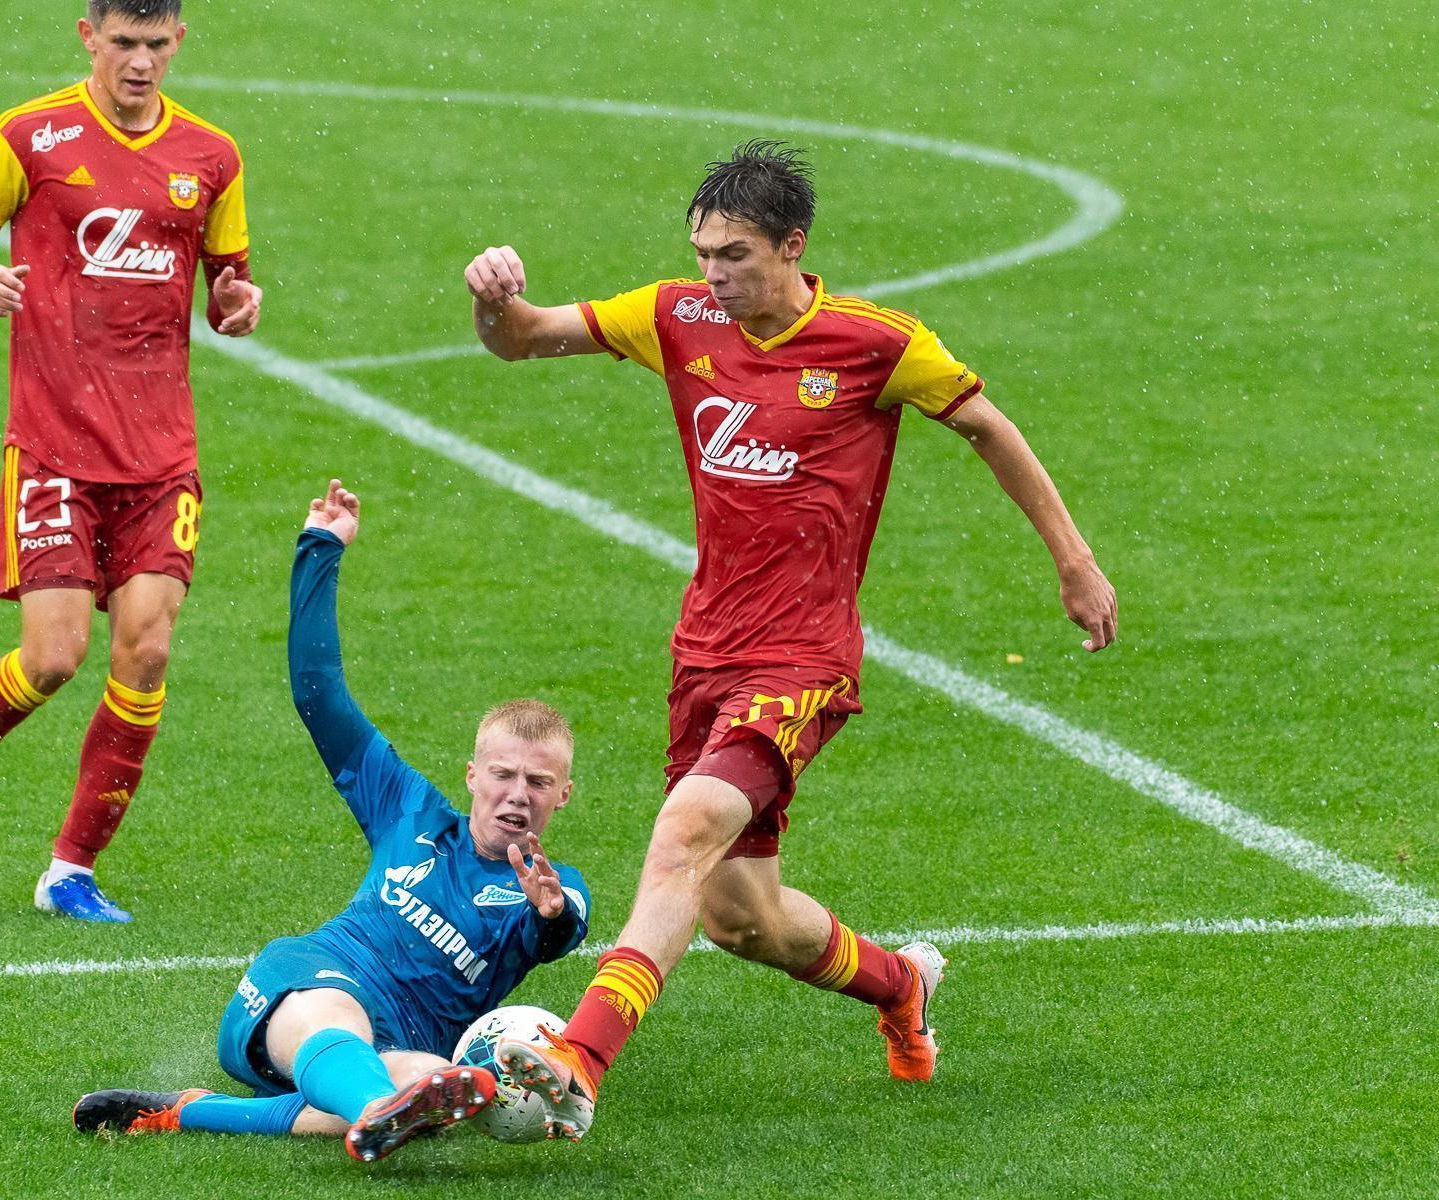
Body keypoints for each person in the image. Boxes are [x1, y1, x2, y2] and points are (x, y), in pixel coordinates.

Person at [461, 140, 1118, 1137]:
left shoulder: (875, 344)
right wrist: (493, 299)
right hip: (704, 653)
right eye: (702, 253)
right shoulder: (677, 316)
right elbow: (522, 340)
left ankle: (578, 1058)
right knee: (740, 917)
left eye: (734, 255)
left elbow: (990, 428)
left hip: (803, 660)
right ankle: (900, 984)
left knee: (681, 833)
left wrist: (1074, 561)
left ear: (792, 245)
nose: (714, 275)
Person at [0, 0, 264, 922]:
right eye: (123, 42)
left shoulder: (212, 157)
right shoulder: (29, 136)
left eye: (156, 44)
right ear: (89, 37)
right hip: (53, 446)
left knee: (148, 649)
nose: (140, 62)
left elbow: (227, 286)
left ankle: (71, 870)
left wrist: (237, 306)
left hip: (160, 454)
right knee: (53, 658)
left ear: (179, 40)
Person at [72, 481, 591, 1163]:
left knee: (441, 1087)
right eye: (503, 774)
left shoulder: (550, 887)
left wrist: (551, 915)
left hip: (397, 1048)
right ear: (473, 775)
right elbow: (319, 693)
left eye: (538, 783)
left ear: (563, 795)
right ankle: (375, 1107)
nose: (517, 795)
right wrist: (320, 550)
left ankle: (190, 1111)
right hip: (306, 984)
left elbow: (562, 927)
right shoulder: (409, 809)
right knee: (344, 1025)